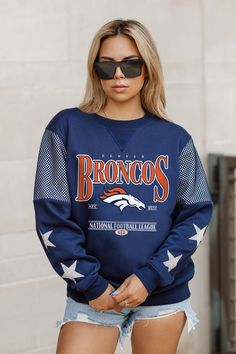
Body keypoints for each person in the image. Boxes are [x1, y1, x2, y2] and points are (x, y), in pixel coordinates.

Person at [33, 18, 213, 354]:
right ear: (94, 69)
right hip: (93, 294)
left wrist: (151, 276)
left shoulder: (174, 139)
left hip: (160, 291)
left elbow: (197, 213)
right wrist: (90, 282)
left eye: (131, 65)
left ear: (148, 70)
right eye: (108, 65)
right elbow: (51, 215)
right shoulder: (65, 128)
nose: (119, 75)